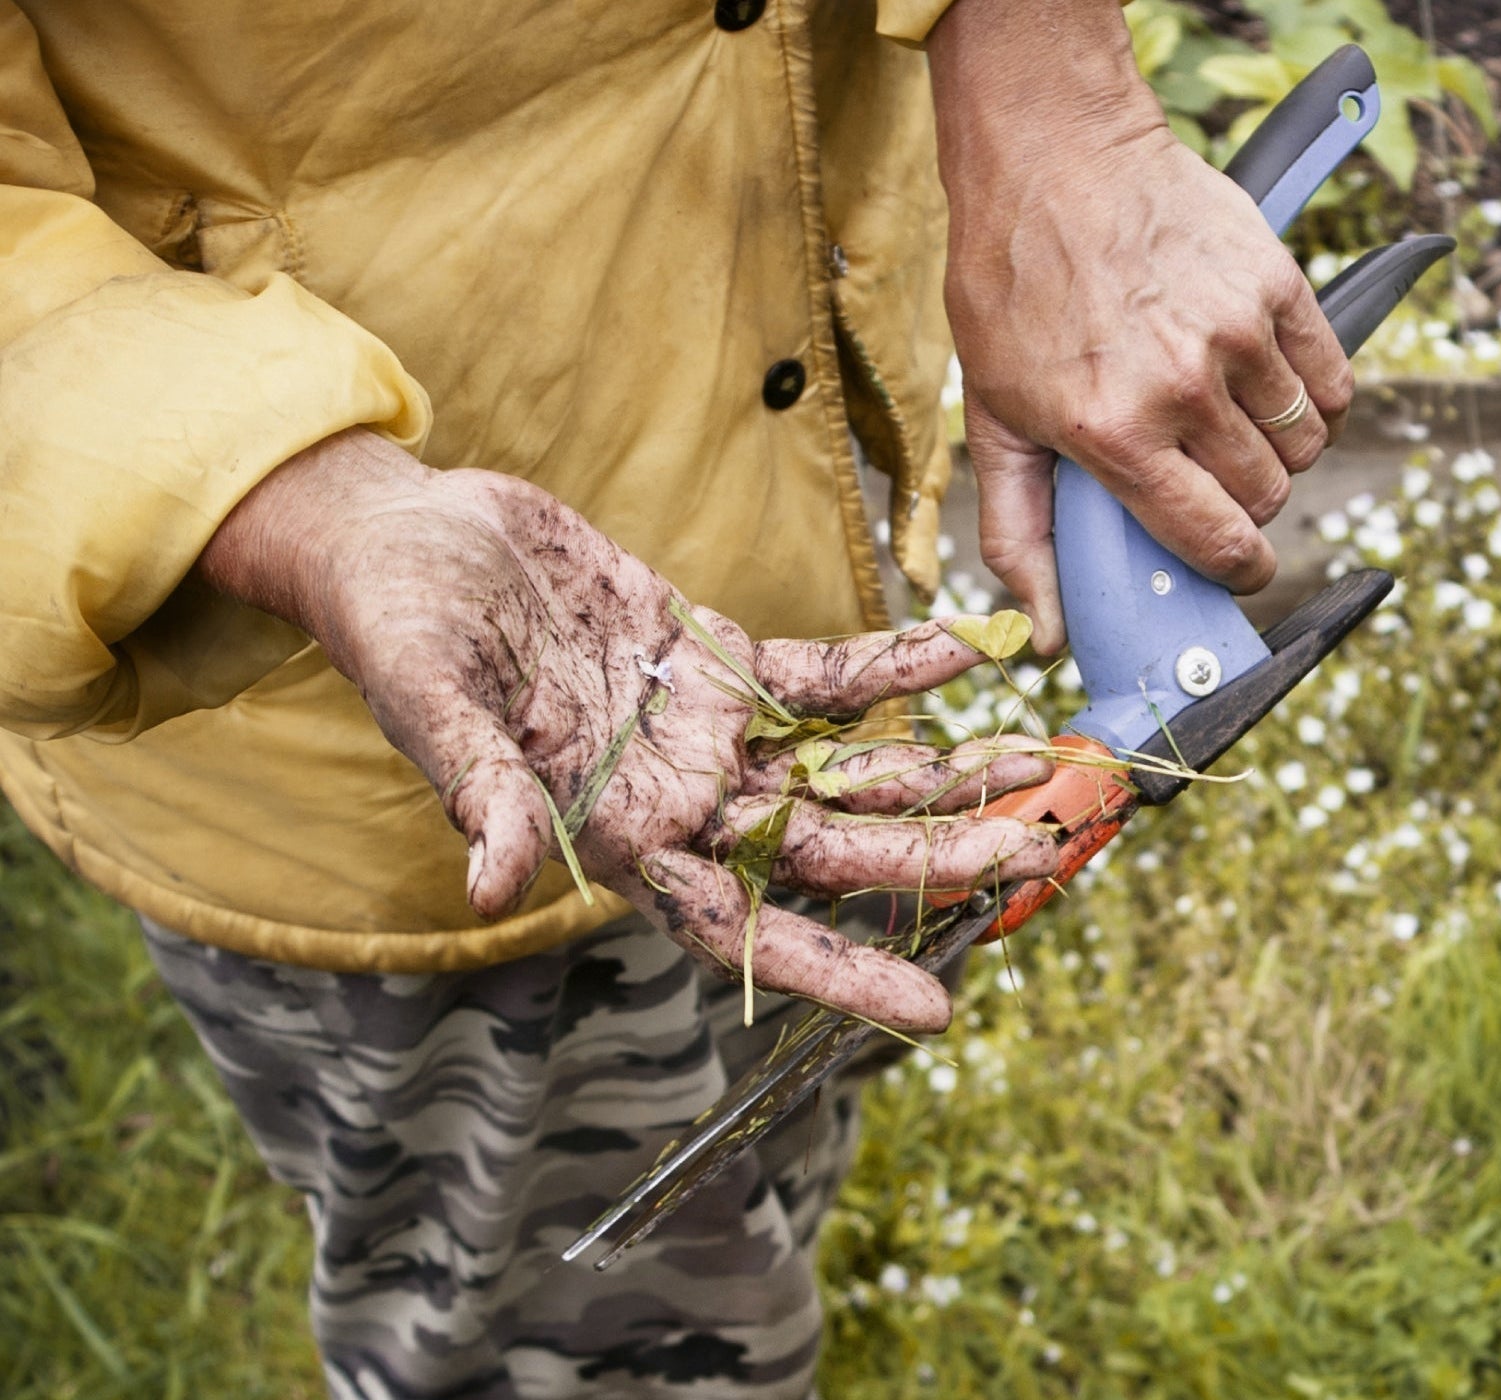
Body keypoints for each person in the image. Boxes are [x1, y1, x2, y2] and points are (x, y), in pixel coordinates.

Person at [0, 1, 1353, 1395]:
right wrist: (296, 499)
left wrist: (1051, 91)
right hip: (374, 746)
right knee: (563, 1332)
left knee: (784, 1118)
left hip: (767, 595)